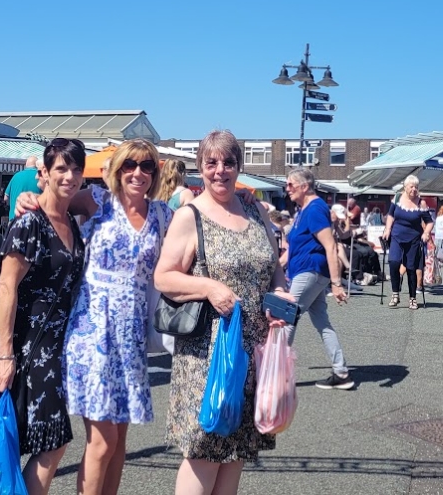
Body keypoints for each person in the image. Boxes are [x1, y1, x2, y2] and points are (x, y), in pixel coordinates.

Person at [154, 130, 290, 495]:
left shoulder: (253, 207)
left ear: (238, 167)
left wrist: (279, 293)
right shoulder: (190, 215)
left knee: (235, 452)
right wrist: (209, 287)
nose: (220, 171)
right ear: (200, 167)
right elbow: (163, 277)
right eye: (211, 163)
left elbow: (274, 266)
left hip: (253, 348)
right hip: (208, 353)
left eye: (228, 162)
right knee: (205, 450)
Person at [62, 139, 173, 495]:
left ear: (155, 173)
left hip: (132, 336)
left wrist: (249, 204)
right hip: (92, 329)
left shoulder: (162, 214)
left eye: (146, 166)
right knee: (103, 441)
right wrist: (26, 199)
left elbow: (203, 224)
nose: (137, 173)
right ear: (117, 169)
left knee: (120, 438)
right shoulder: (97, 200)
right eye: (129, 165)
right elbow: (54, 203)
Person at [0, 138, 88, 495]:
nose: (70, 176)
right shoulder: (29, 223)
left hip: (55, 350)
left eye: (76, 169)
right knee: (26, 443)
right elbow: (6, 288)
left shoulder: (70, 221)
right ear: (42, 173)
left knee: (49, 440)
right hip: (25, 350)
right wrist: (4, 355)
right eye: (61, 168)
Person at [283, 168, 354, 390]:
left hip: (310, 271)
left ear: (304, 187)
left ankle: (274, 373)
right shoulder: (303, 210)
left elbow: (330, 246)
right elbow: (293, 249)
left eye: (291, 185)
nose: (287, 189)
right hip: (307, 271)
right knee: (322, 323)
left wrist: (336, 283)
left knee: (286, 319)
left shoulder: (314, 209)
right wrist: (274, 267)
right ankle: (341, 372)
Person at [382, 175, 432, 309]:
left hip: (413, 239)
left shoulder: (421, 203)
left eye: (416, 187)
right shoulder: (397, 198)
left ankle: (412, 298)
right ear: (405, 187)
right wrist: (387, 229)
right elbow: (391, 215)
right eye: (411, 187)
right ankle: (395, 294)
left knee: (411, 268)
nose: (414, 189)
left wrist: (426, 233)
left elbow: (429, 222)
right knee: (393, 262)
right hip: (397, 236)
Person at [6, 155, 44, 220]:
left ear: (26, 165)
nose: (36, 177)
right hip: (36, 220)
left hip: (14, 218)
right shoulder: (42, 177)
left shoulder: (16, 176)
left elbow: (6, 198)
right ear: (36, 165)